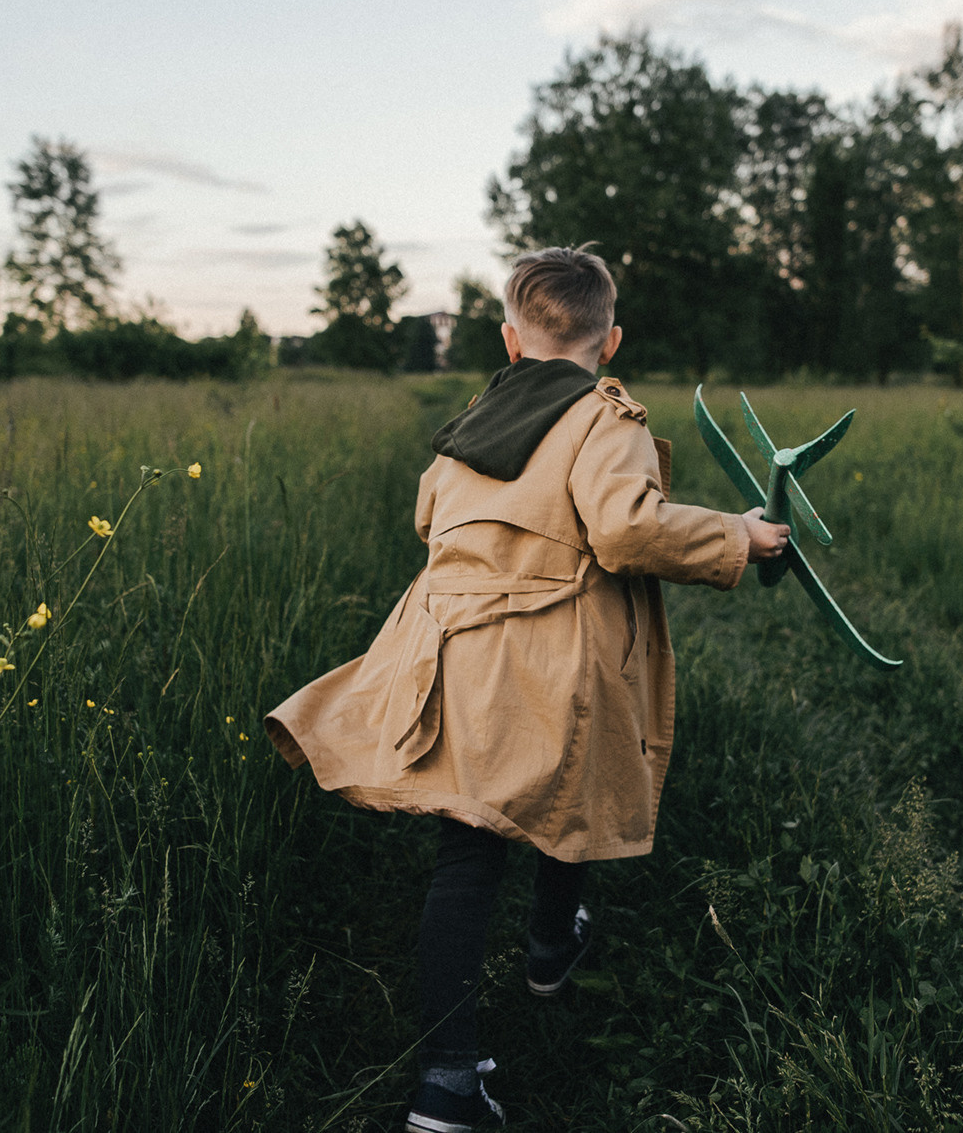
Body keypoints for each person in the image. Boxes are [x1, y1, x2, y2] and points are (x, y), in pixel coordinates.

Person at [264, 246, 788, 1132]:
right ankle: (545, 952)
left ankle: (448, 1080)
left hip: (447, 650)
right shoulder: (601, 418)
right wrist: (737, 533)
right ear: (609, 341)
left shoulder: (476, 421)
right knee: (568, 777)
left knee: (468, 852)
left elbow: (429, 514)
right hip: (542, 655)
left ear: (512, 341)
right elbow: (624, 532)